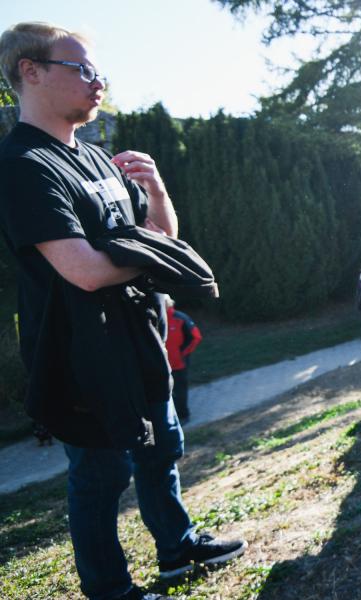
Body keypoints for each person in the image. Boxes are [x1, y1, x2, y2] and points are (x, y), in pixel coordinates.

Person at [0, 22, 247, 600]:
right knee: (101, 474)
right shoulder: (22, 165)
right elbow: (84, 270)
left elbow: (160, 234)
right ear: (31, 72)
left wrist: (156, 192)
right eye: (82, 69)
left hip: (141, 336)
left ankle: (177, 549)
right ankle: (110, 590)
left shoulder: (95, 156)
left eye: (99, 72)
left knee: (161, 450)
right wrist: (156, 258)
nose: (98, 82)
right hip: (82, 353)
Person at [165, 299, 202, 424]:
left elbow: (195, 337)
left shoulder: (180, 318)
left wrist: (181, 354)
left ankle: (183, 416)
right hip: (161, 364)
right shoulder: (154, 319)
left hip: (178, 364)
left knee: (179, 390)